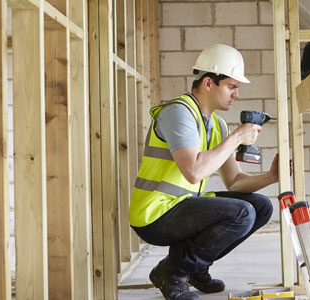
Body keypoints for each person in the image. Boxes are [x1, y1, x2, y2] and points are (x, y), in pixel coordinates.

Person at [129, 44, 279, 300]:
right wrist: (237, 137)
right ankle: (173, 272)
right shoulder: (179, 112)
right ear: (209, 83)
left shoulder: (216, 124)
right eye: (232, 86)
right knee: (241, 213)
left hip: (183, 207)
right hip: (155, 214)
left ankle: (196, 267)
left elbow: (234, 181)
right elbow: (194, 171)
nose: (236, 94)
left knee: (261, 207)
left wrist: (271, 177)